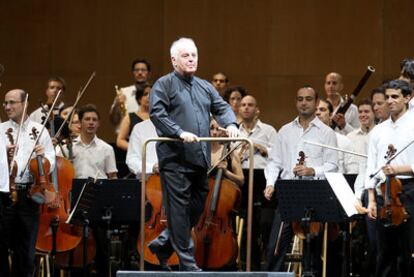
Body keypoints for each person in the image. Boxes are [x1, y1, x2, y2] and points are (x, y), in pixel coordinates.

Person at [148, 37, 239, 271]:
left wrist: (230, 124)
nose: (191, 59)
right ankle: (188, 264)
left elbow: (222, 107)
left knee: (198, 206)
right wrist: (178, 132)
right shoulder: (164, 84)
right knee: (178, 211)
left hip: (199, 159)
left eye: (194, 55)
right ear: (174, 60)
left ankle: (163, 242)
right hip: (175, 159)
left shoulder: (205, 86)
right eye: (186, 55)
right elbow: (157, 114)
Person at [264, 86, 338, 274]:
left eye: (308, 99)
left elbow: (333, 165)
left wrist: (313, 170)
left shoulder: (326, 132)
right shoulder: (285, 131)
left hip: (314, 192)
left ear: (316, 102)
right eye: (300, 99)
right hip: (288, 191)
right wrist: (270, 183)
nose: (303, 102)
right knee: (276, 245)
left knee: (312, 249)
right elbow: (274, 162)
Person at [0, 89, 55, 277]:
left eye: (12, 102)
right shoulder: (0, 129)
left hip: (30, 193)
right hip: (5, 194)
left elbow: (51, 159)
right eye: (5, 103)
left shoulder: (39, 131)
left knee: (26, 252)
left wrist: (42, 157)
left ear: (24, 104)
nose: (7, 107)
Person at [365, 79, 414, 276]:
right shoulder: (378, 130)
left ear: (407, 98)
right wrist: (370, 200)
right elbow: (371, 166)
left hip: (409, 190)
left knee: (408, 250)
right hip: (383, 194)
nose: (390, 101)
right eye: (387, 98)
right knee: (384, 252)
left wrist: (398, 168)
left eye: (395, 97)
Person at [237, 95, 279, 269]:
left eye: (250, 105)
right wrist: (238, 155)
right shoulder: (235, 131)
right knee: (246, 224)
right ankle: (248, 265)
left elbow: (278, 156)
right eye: (243, 105)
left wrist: (259, 147)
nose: (246, 108)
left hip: (264, 177)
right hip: (242, 178)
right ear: (239, 109)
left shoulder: (268, 130)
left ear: (257, 110)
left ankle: (268, 263)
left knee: (265, 223)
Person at [316, 99, 358, 174]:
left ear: (330, 115)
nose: (318, 113)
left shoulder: (344, 141)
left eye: (322, 110)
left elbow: (353, 171)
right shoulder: (304, 141)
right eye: (315, 110)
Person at [109, 59, 151, 128]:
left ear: (149, 73)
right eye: (136, 70)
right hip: (127, 133)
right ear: (133, 73)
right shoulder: (123, 92)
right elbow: (113, 121)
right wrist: (117, 105)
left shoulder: (155, 92)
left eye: (143, 70)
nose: (140, 72)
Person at [116, 84, 151, 151]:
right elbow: (120, 141)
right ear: (139, 99)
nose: (149, 97)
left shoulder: (158, 117)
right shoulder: (129, 117)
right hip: (136, 157)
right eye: (145, 94)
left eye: (151, 94)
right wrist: (137, 149)